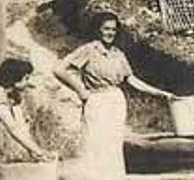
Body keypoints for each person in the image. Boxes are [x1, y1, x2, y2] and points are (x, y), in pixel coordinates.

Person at [55, 11, 174, 179]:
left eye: (113, 29)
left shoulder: (118, 54)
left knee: (113, 145)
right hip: (96, 101)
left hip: (116, 102)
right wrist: (81, 90)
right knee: (95, 144)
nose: (110, 33)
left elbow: (131, 80)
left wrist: (161, 93)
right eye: (106, 29)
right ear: (98, 30)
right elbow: (59, 69)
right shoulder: (89, 50)